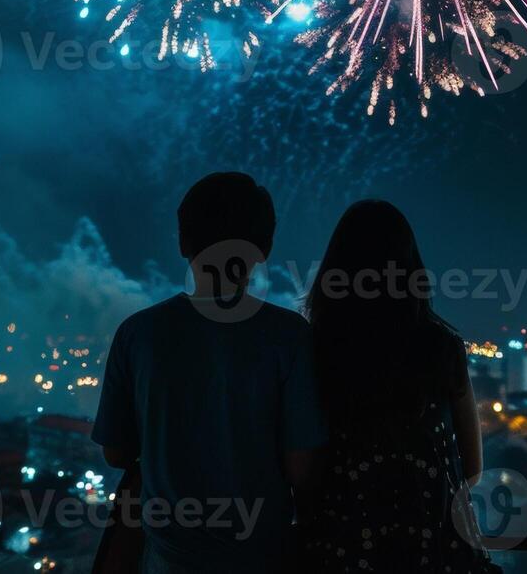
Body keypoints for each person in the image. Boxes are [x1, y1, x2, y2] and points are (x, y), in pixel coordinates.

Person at [93, 173, 327, 574]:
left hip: (168, 557)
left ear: (184, 243)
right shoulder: (289, 337)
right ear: (264, 250)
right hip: (260, 555)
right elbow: (302, 467)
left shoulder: (138, 333)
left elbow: (115, 452)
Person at [302, 200, 495, 572]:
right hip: (438, 552)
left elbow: (305, 469)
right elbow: (471, 469)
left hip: (342, 548)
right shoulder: (443, 349)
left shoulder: (314, 350)